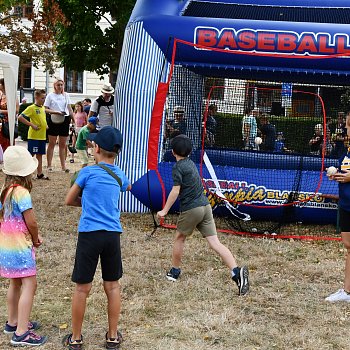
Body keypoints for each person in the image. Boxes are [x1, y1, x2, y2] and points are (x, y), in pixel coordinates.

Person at [63, 126, 131, 350]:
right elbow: (128, 186)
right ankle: (112, 337)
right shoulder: (119, 173)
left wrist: (88, 203)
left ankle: (76, 338)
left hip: (89, 235)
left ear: (97, 148)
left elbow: (69, 200)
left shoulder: (87, 172)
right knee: (112, 286)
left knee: (82, 288)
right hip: (112, 235)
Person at [157, 134, 249, 296]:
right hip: (206, 207)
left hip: (192, 209)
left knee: (179, 238)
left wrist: (164, 210)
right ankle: (236, 272)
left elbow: (175, 191)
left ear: (172, 152)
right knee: (215, 243)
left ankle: (174, 271)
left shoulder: (178, 168)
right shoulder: (191, 164)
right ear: (190, 151)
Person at [0, 146, 47, 346]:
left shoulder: (4, 192)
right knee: (30, 284)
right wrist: (35, 238)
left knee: (15, 283)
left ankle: (13, 321)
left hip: (6, 247)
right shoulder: (22, 193)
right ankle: (21, 332)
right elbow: (32, 222)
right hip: (21, 247)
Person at [325, 112, 350, 302]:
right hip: (346, 203)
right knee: (349, 246)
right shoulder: (348, 151)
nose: (346, 130)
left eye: (348, 126)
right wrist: (337, 175)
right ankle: (347, 292)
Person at [18, 89, 49, 180]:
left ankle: (39, 174)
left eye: (44, 98)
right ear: (36, 97)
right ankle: (23, 173)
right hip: (34, 136)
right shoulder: (31, 108)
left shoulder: (42, 108)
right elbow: (20, 117)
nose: (44, 100)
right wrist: (32, 125)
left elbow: (41, 119)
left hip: (42, 136)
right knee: (31, 155)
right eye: (42, 98)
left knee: (39, 155)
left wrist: (45, 125)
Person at [44, 78, 73, 172]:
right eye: (58, 85)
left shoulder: (66, 95)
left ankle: (63, 166)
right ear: (54, 86)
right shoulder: (50, 95)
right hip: (53, 120)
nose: (60, 87)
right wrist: (55, 112)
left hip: (65, 119)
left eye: (61, 85)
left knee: (62, 144)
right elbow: (45, 109)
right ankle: (49, 165)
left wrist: (74, 120)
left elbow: (70, 108)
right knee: (52, 143)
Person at [0, 78, 19, 152]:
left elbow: (16, 111)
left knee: (7, 141)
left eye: (0, 84)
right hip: (1, 123)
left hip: (8, 123)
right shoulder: (2, 96)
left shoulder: (12, 96)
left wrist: (2, 111)